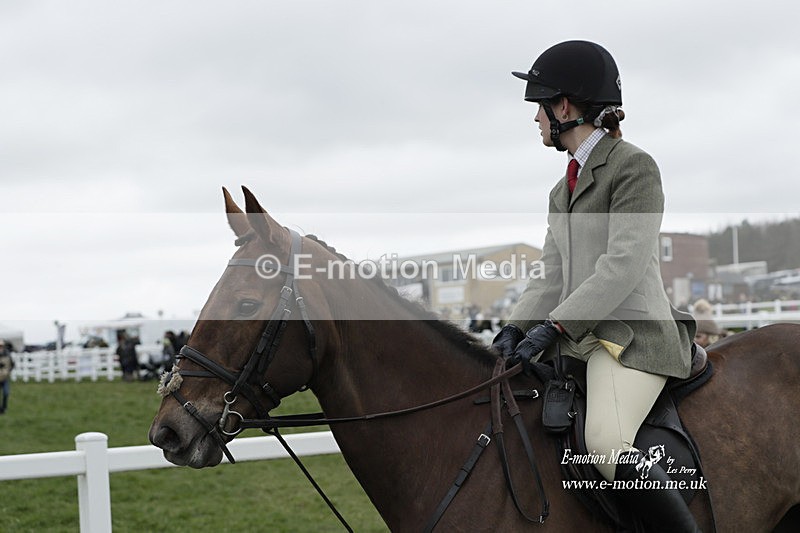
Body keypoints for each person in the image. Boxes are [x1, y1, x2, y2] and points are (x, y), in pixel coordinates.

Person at [492, 41, 699, 531]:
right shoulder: (560, 189)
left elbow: (622, 266)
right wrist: (513, 330)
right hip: (580, 336)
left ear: (564, 107)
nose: (536, 119)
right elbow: (551, 274)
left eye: (540, 107)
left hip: (632, 336)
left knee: (606, 442)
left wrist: (555, 324)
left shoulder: (632, 166)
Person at [0, 340, 15, 414]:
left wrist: (8, 371)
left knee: (6, 393)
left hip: (4, 378)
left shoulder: (7, 355)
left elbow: (12, 364)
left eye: (1, 346)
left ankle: (4, 408)